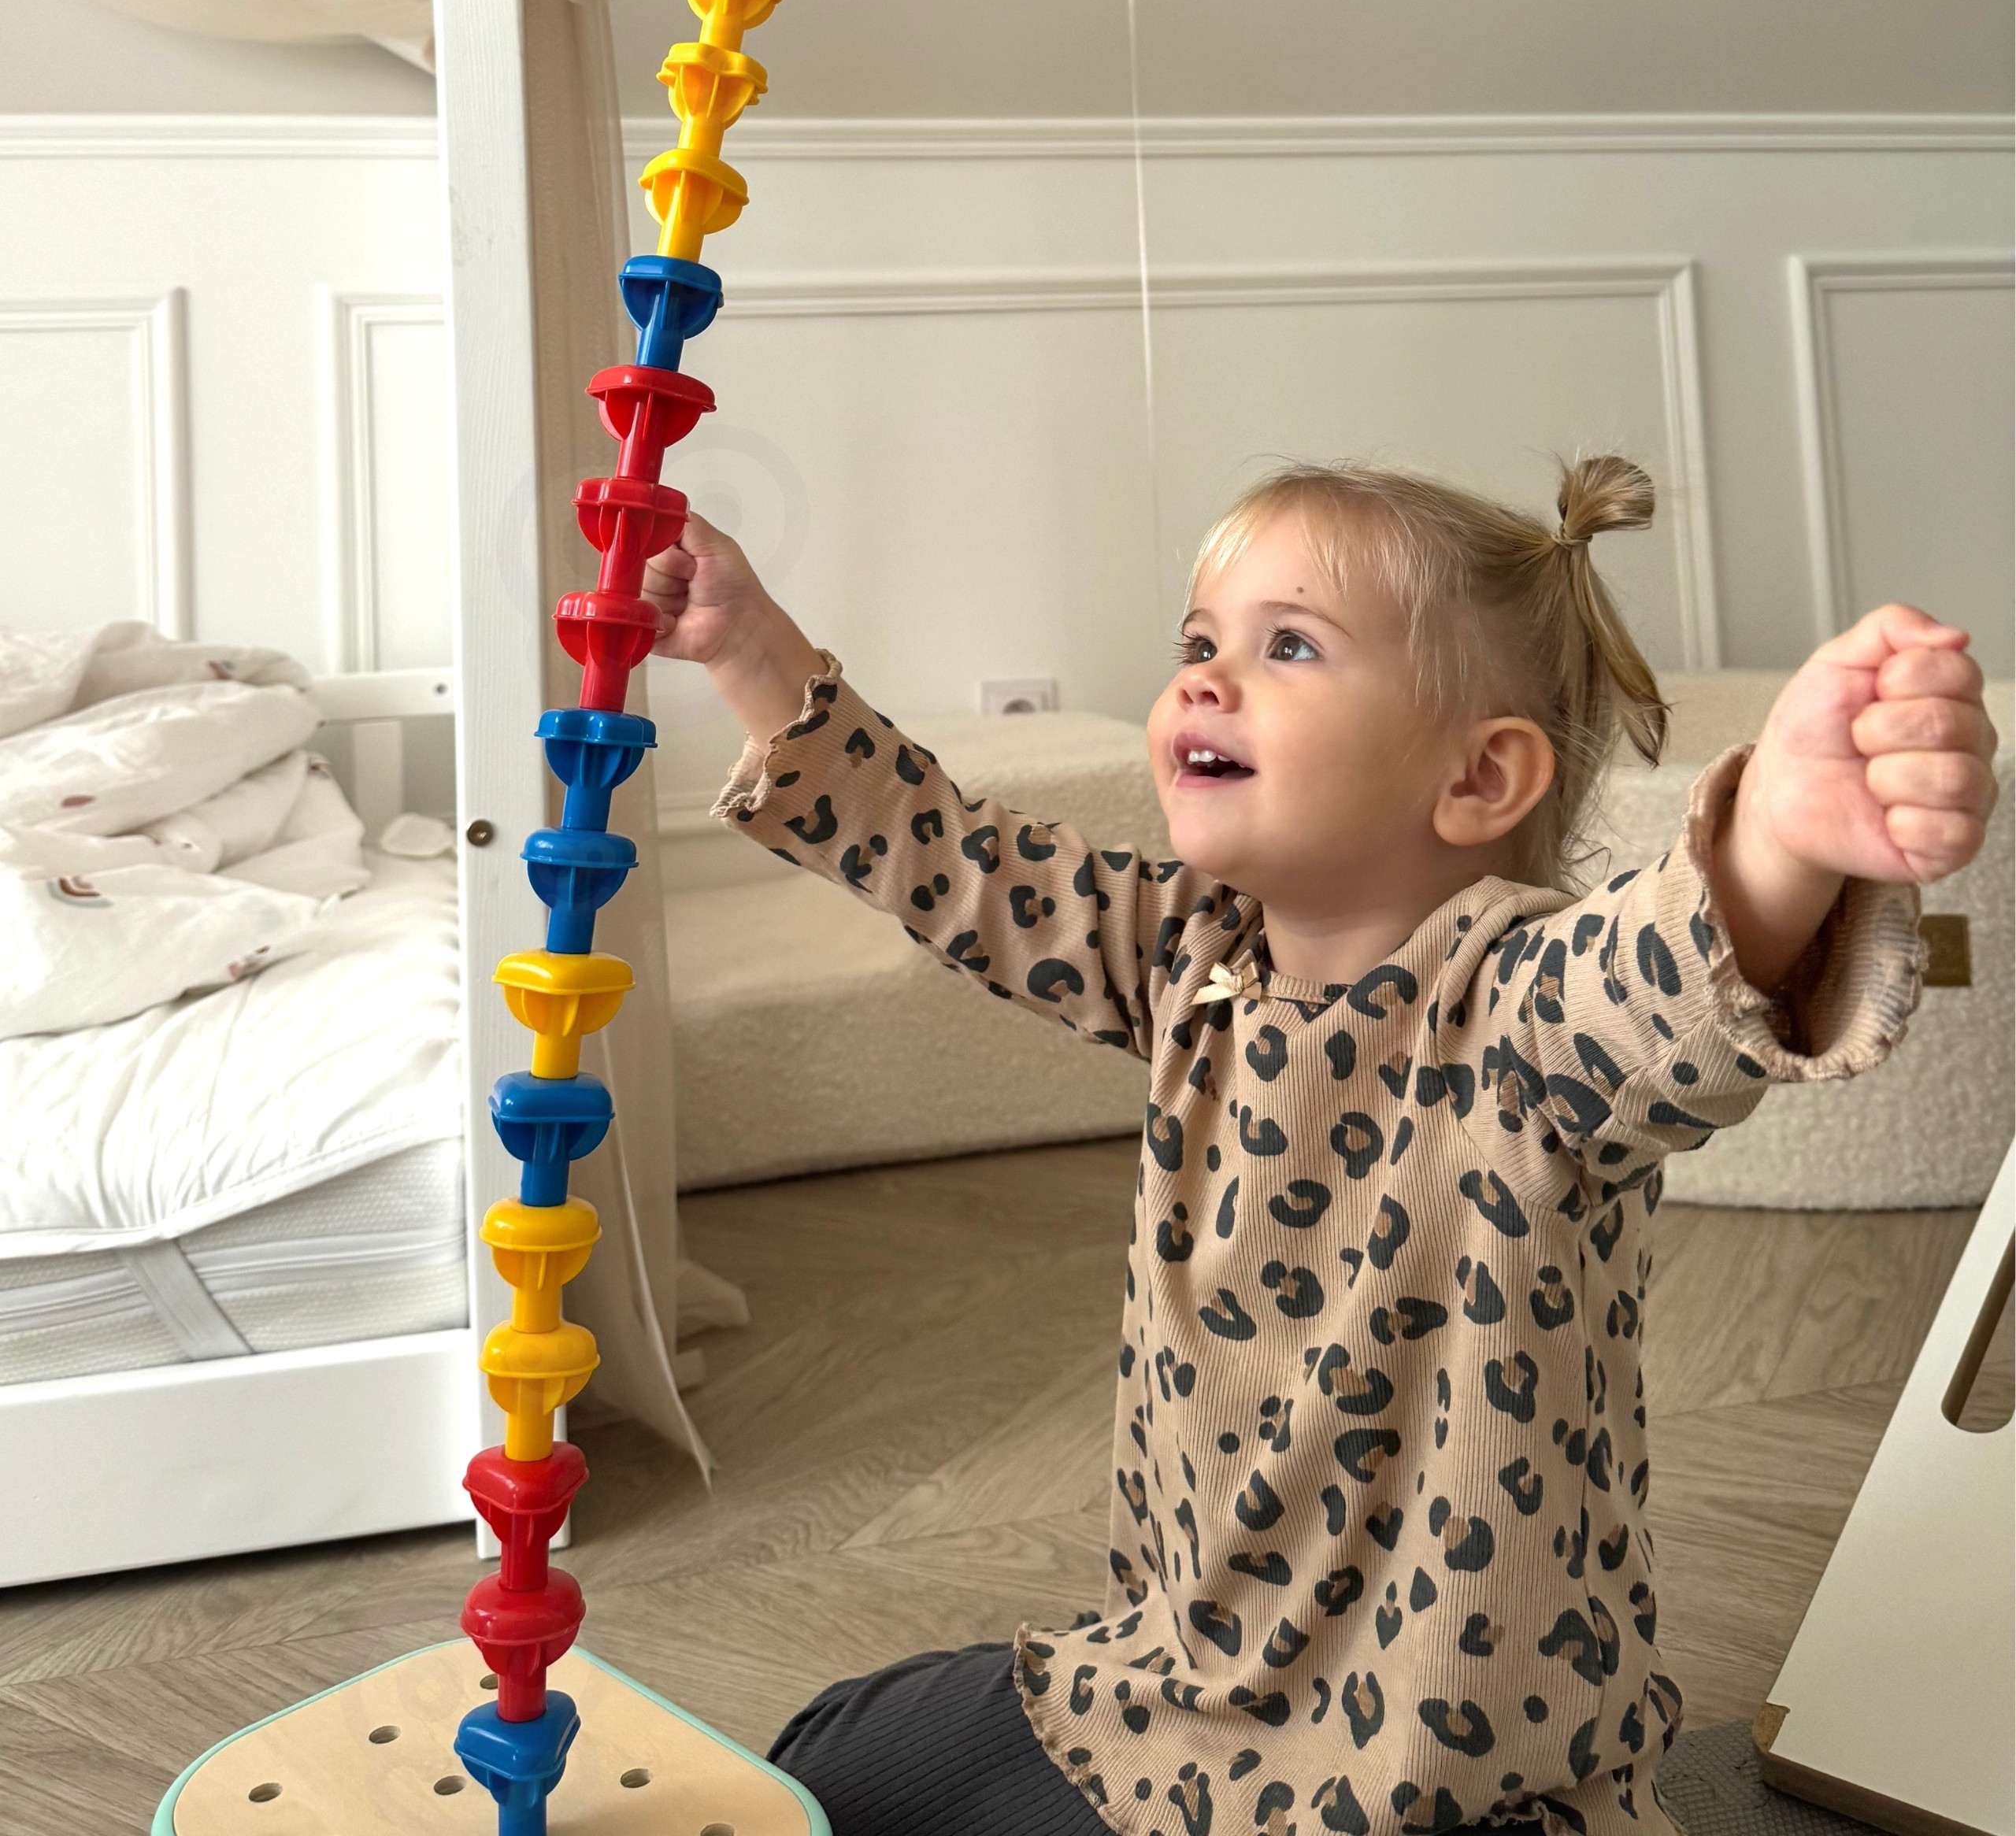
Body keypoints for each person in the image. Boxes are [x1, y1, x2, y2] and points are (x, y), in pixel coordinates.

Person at [643, 457, 1998, 1836]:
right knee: (823, 1761)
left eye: (1287, 645)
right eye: (1199, 644)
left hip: (1438, 1782)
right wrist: (751, 649)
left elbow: (1666, 972)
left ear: (1479, 776)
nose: (1205, 681)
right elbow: (956, 863)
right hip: (1181, 1696)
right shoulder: (1190, 955)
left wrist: (1782, 832)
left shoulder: (1519, 1011)